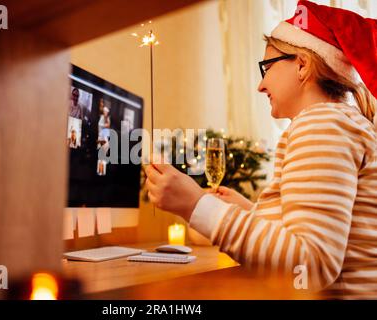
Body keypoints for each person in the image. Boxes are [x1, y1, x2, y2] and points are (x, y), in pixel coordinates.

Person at [145, 0, 377, 299]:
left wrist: (195, 206)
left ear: (302, 65)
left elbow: (308, 268)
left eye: (266, 67)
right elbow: (325, 236)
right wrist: (253, 212)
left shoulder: (322, 123)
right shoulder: (339, 122)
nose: (261, 85)